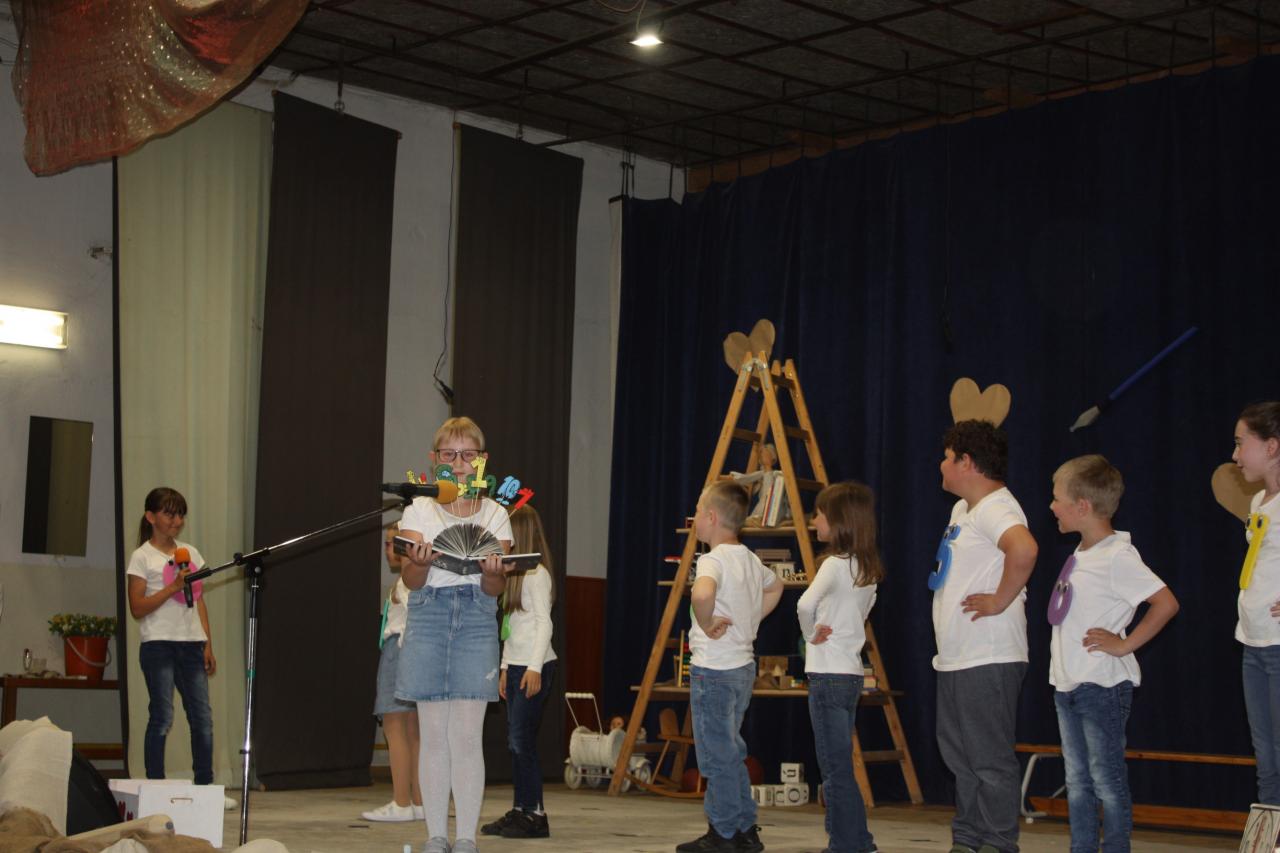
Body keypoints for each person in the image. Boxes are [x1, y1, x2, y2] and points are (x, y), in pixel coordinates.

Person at [1047, 455, 1179, 852]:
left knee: (1106, 779)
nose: (1052, 506)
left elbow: (1166, 603)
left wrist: (1123, 644)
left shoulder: (1117, 555)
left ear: (1082, 506)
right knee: (1077, 780)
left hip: (1101, 685)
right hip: (1069, 683)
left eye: (1057, 499)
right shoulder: (1081, 553)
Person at [398, 416, 513, 853]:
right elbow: (411, 581)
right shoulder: (418, 510)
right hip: (428, 616)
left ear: (482, 460)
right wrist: (419, 563)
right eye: (450, 454)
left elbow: (495, 589)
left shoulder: (496, 513)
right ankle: (435, 836)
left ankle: (465, 838)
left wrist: (493, 572)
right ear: (435, 460)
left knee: (466, 736)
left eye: (468, 455)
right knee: (432, 734)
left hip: (476, 619)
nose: (460, 463)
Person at [932, 420, 1038, 853]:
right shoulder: (964, 509)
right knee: (961, 757)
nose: (941, 465)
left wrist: (999, 600)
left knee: (989, 758)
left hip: (988, 654)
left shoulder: (997, 507)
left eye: (947, 457)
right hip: (958, 655)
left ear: (967, 462)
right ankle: (968, 838)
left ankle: (998, 842)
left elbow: (1024, 549)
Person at [677, 481, 783, 853]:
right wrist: (751, 619)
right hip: (742, 669)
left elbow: (702, 593)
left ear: (710, 517)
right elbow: (777, 586)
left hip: (714, 672)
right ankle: (744, 829)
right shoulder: (750, 559)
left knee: (716, 756)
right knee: (731, 751)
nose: (694, 519)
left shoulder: (712, 560)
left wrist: (706, 622)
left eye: (697, 512)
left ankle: (722, 832)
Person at [797, 482, 884, 853]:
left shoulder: (833, 565)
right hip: (850, 675)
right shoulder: (868, 570)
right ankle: (857, 840)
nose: (814, 520)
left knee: (834, 768)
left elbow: (804, 605)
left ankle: (845, 844)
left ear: (838, 521)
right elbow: (862, 615)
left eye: (819, 514)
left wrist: (810, 634)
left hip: (827, 675)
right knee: (840, 764)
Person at [126, 487, 216, 788]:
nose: (177, 521)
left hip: (192, 644)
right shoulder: (142, 557)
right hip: (158, 645)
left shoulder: (190, 553)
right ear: (151, 517)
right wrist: (173, 587)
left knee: (201, 717)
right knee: (162, 715)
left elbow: (199, 601)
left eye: (180, 515)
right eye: (169, 514)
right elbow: (137, 607)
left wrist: (207, 643)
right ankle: (155, 786)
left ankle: (205, 787)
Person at [481, 505, 557, 839]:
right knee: (515, 742)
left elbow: (544, 624)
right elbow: (510, 628)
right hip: (515, 666)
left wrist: (534, 668)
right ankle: (520, 808)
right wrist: (504, 668)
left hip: (533, 667)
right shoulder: (513, 577)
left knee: (522, 741)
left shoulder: (537, 574)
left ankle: (535, 814)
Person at [1233, 402, 1280, 804]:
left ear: (1271, 446)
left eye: (1240, 443)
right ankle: (1267, 833)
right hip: (1254, 642)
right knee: (1266, 757)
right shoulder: (1258, 502)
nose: (1235, 455)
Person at [361, 522, 424, 822]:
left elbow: (412, 620)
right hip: (411, 654)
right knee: (413, 732)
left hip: (399, 652)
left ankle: (401, 802)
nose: (387, 549)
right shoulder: (406, 581)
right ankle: (419, 802)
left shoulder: (405, 584)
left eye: (390, 543)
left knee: (394, 727)